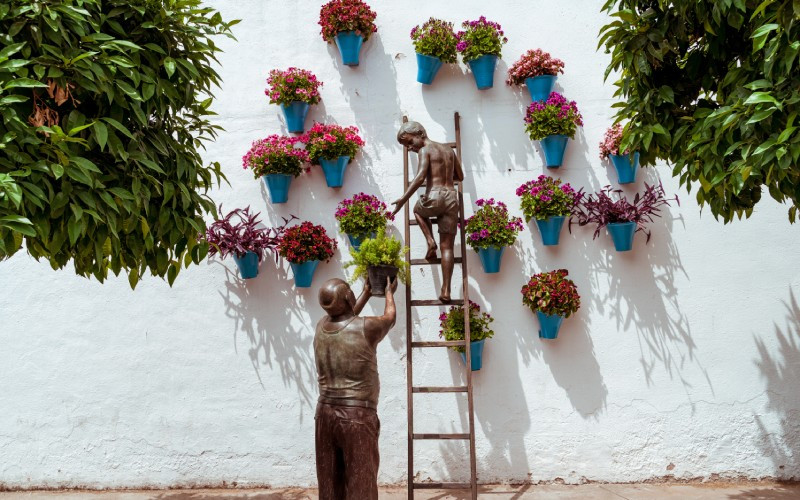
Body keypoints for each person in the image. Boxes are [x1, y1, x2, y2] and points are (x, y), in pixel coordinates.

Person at [314, 276, 397, 500]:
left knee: (330, 484)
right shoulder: (367, 327)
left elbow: (346, 318)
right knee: (361, 484)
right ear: (348, 297)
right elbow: (389, 318)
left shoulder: (321, 326)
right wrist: (389, 292)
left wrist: (366, 293)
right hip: (356, 417)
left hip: (324, 414)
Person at [392, 121, 464, 302]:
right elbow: (460, 176)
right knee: (447, 247)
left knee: (417, 210)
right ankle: (446, 290)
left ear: (420, 134)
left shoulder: (425, 150)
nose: (409, 148)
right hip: (451, 198)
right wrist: (445, 177)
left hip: (435, 195)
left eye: (409, 143)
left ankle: (430, 242)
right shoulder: (449, 150)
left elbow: (420, 177)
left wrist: (403, 199)